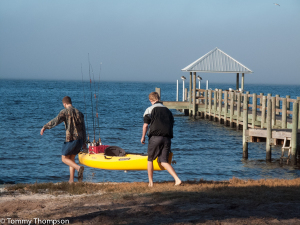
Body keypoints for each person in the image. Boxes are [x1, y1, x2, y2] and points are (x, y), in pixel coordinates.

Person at [40, 96, 86, 183]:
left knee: (64, 158)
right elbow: (84, 128)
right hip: (79, 140)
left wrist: (45, 127)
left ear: (64, 104)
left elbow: (55, 121)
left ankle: (78, 168)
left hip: (71, 139)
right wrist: (84, 142)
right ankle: (71, 180)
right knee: (71, 159)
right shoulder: (79, 113)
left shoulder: (64, 112)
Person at [141, 92, 181, 187]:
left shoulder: (150, 109)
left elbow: (146, 125)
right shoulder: (168, 111)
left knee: (150, 159)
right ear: (158, 98)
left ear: (151, 100)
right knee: (164, 161)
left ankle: (151, 182)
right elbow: (172, 124)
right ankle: (177, 179)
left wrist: (143, 137)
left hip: (155, 137)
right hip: (167, 138)